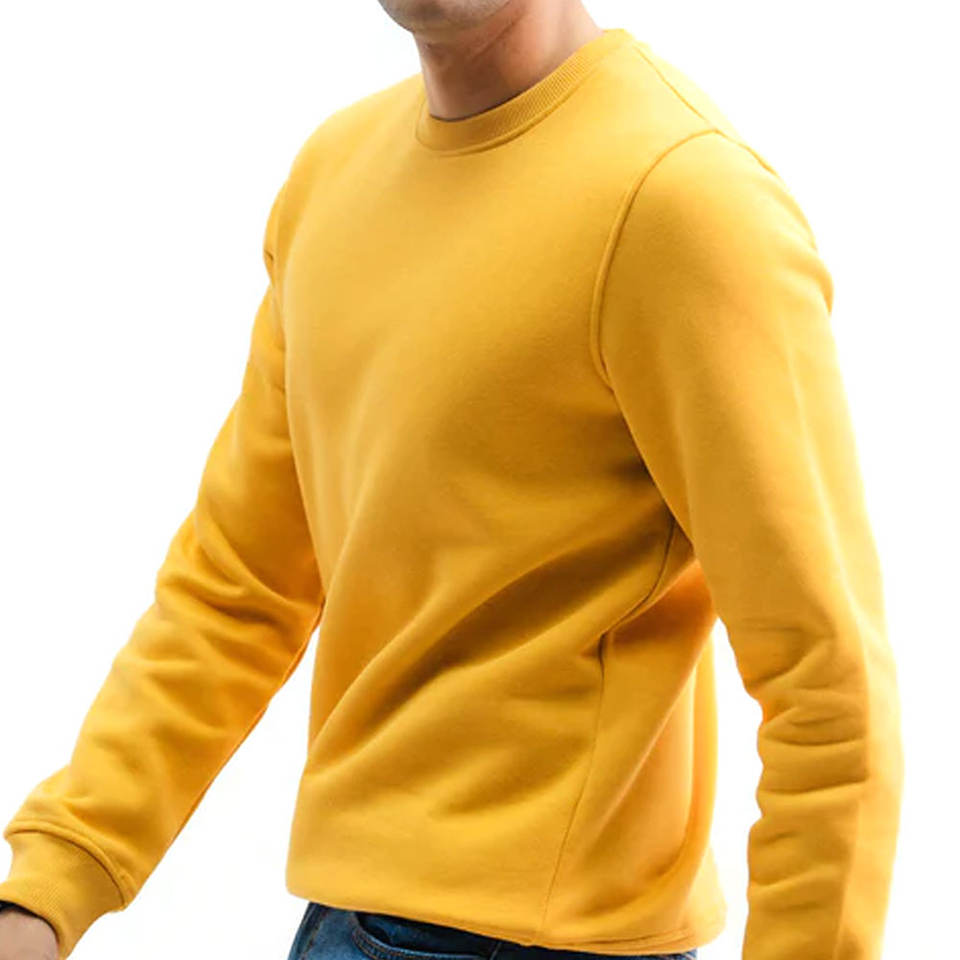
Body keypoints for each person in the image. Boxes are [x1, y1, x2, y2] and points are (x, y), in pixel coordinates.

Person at [0, 1, 905, 958]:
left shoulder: (683, 202)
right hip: (347, 920)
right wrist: (48, 888)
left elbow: (828, 685)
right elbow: (237, 588)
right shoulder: (334, 177)